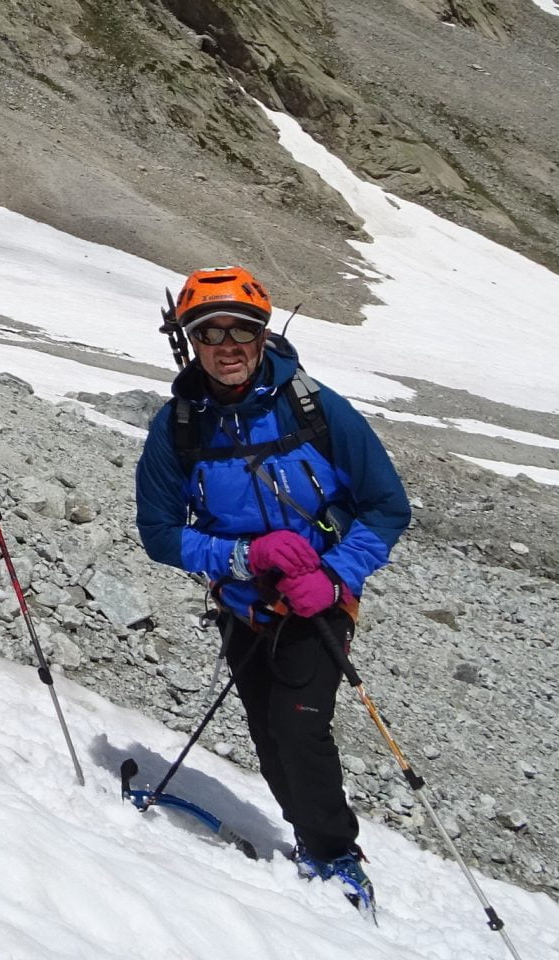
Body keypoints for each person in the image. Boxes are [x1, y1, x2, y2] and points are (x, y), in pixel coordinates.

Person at [133, 267, 411, 910]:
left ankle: (335, 853)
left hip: (319, 601)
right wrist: (240, 555)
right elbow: (159, 533)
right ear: (189, 342)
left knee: (297, 726)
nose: (227, 346)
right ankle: (309, 840)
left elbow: (386, 507)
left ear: (263, 337)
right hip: (245, 603)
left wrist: (336, 574)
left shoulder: (315, 406)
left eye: (243, 331)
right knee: (266, 731)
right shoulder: (177, 427)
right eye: (210, 333)